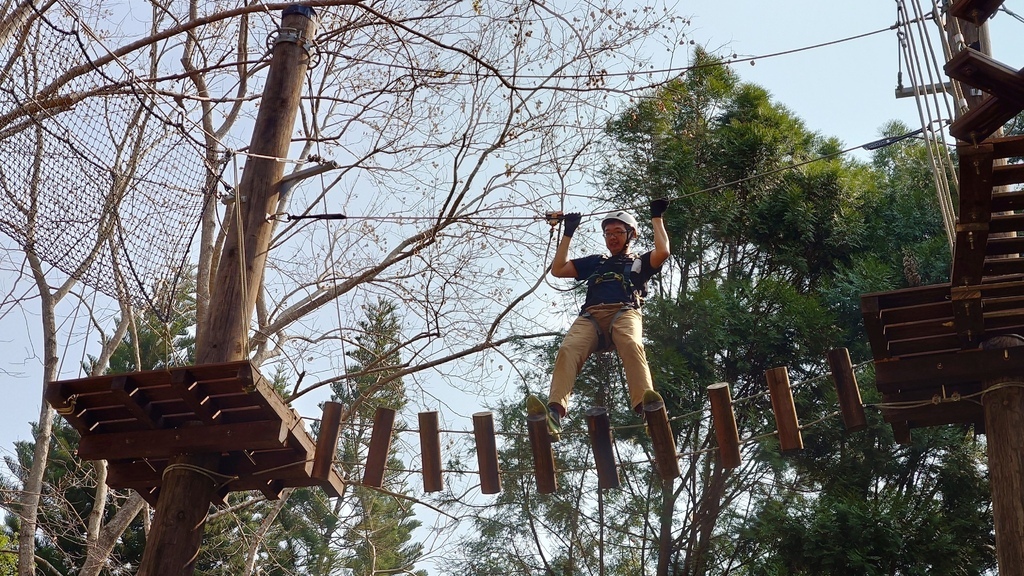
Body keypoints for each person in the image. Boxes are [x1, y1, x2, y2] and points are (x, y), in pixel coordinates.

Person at [527, 198, 670, 440]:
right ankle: (555, 412)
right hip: (590, 317)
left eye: (618, 232)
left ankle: (648, 409)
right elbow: (559, 269)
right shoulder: (596, 262)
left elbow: (663, 251)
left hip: (624, 312)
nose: (612, 237)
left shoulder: (639, 262)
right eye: (608, 233)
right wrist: (568, 232)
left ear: (630, 234)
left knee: (632, 345)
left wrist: (657, 217)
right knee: (568, 350)